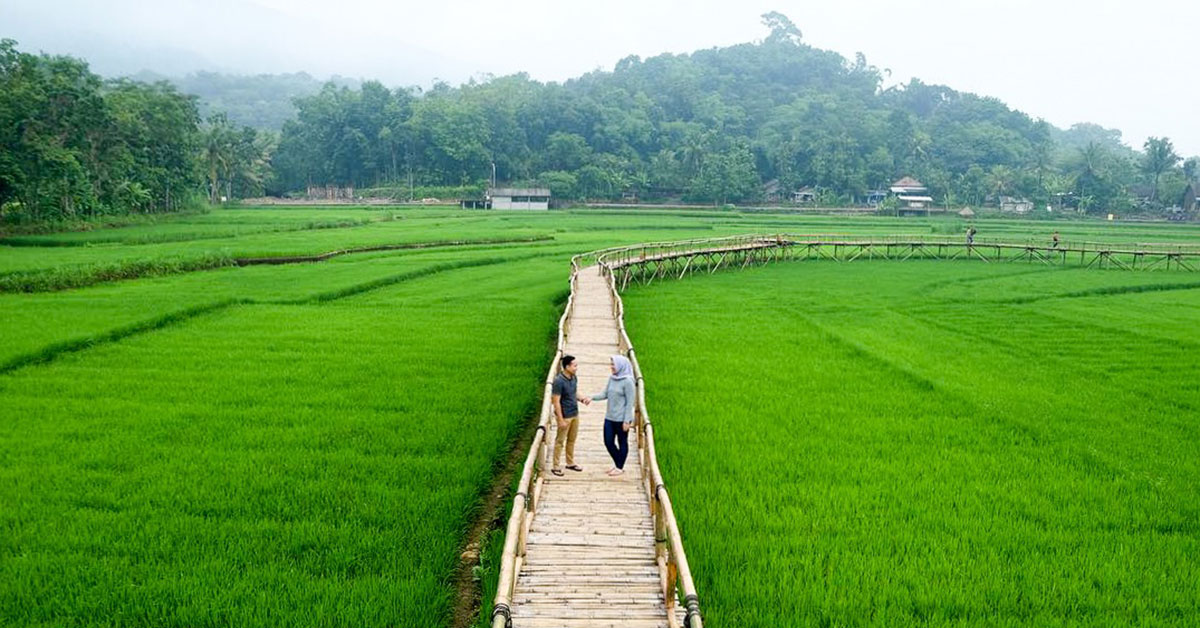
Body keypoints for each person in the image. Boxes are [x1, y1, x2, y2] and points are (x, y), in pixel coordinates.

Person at [583, 355, 636, 477]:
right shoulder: (612, 378)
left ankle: (619, 467)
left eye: (613, 364)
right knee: (608, 442)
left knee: (622, 441)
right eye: (611, 364)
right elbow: (605, 394)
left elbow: (630, 403)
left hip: (621, 418)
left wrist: (627, 420)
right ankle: (618, 463)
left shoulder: (628, 381)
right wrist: (591, 397)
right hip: (609, 417)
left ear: (621, 365)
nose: (611, 367)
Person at [550, 355, 586, 476]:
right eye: (574, 365)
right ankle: (555, 466)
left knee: (571, 440)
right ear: (567, 366)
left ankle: (570, 462)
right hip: (565, 415)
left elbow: (574, 392)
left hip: (574, 413)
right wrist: (560, 419)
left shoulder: (574, 377)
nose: (576, 368)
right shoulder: (559, 381)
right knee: (560, 441)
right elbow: (556, 401)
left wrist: (582, 399)